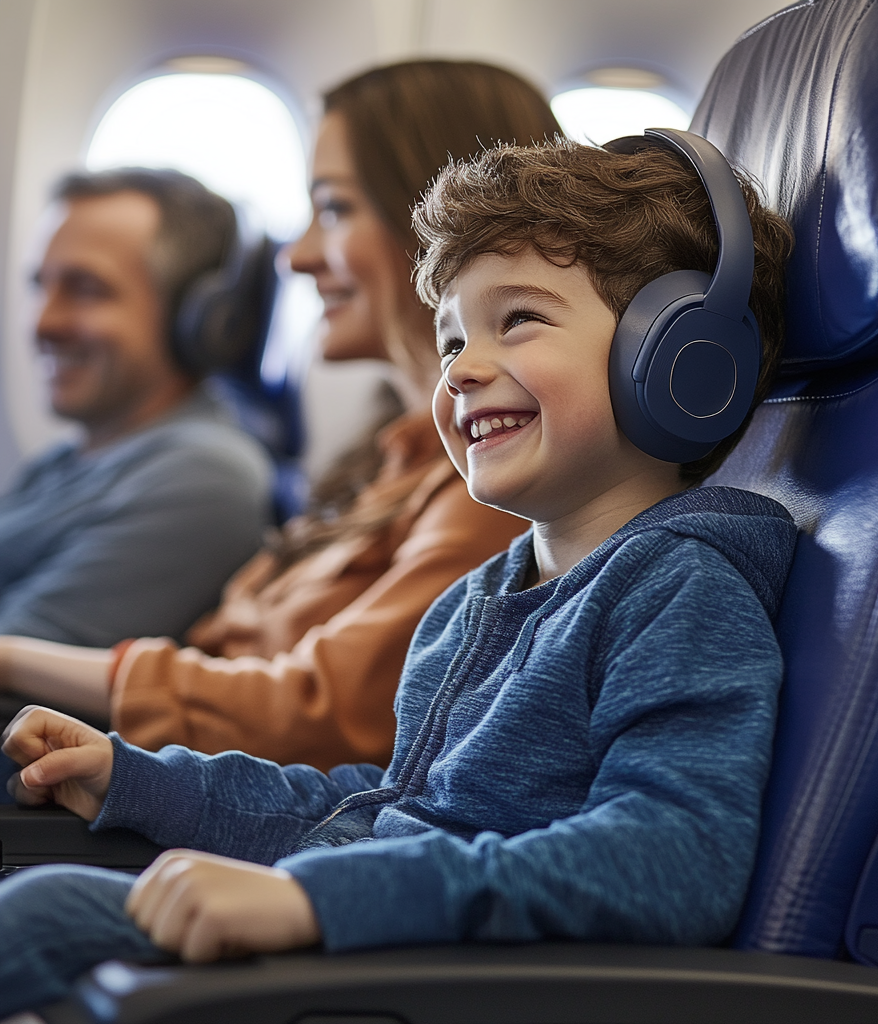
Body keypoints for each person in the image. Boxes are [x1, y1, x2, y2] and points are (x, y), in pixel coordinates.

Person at [0, 135, 796, 1018]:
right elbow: (378, 807)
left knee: (37, 920)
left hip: (452, 978)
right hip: (384, 937)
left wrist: (320, 901)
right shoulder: (479, 600)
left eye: (519, 320)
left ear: (676, 358)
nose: (461, 370)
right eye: (451, 338)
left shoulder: (680, 591)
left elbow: (673, 863)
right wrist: (138, 778)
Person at [0, 61, 559, 770]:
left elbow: (327, 712)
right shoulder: (387, 464)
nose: (295, 257)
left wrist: (12, 659)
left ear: (453, 227)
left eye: (334, 210)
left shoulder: (497, 487)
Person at [0, 169, 272, 653]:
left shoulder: (203, 477)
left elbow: (14, 686)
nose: (44, 321)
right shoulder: (69, 460)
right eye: (40, 285)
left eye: (85, 289)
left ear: (198, 318)